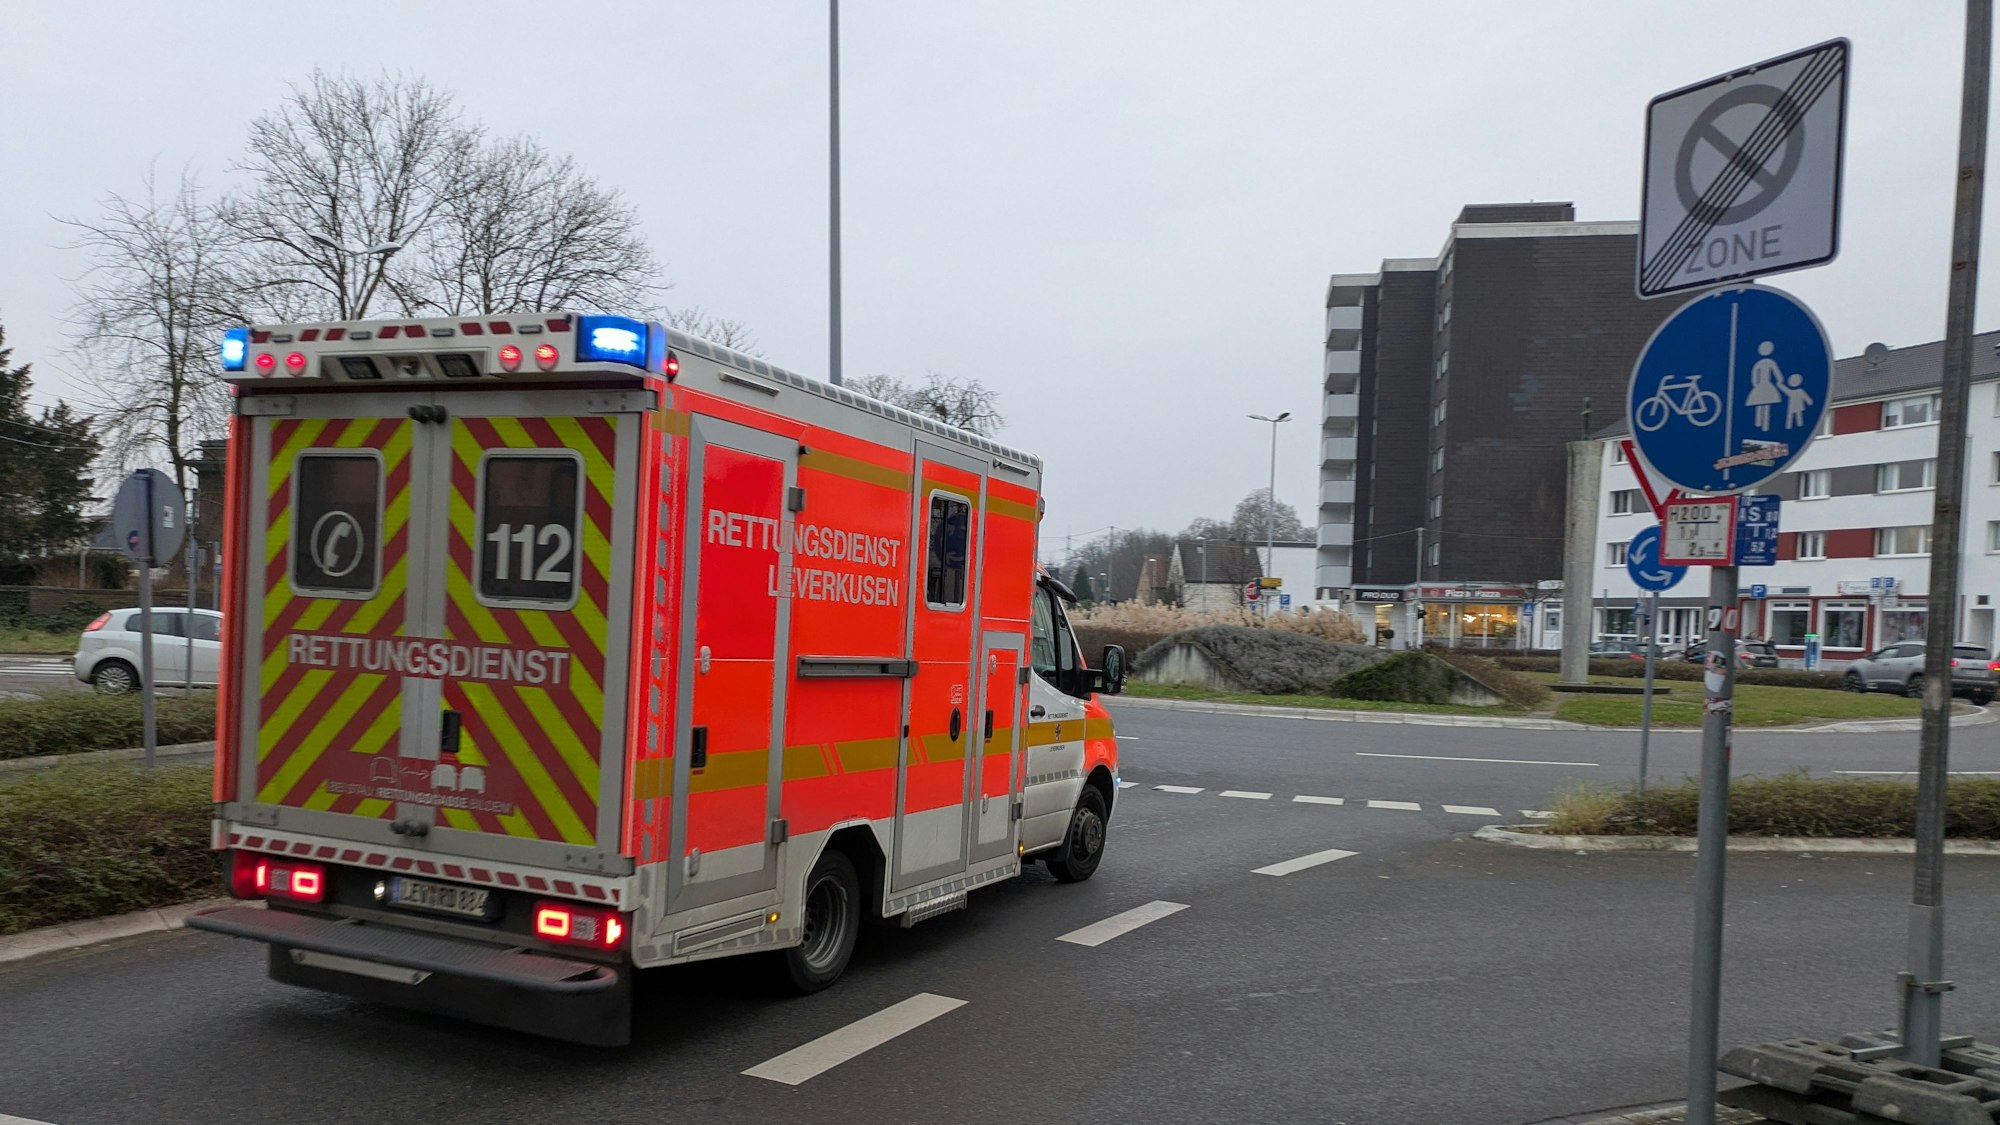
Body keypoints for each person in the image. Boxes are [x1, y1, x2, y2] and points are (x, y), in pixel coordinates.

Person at [1746, 340, 1782, 430]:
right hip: (1767, 385)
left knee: (1759, 404)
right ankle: (1764, 426)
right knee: (1766, 405)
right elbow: (1777, 373)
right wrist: (1779, 380)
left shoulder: (1758, 364)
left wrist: (1756, 385)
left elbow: (1754, 377)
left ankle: (1758, 424)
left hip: (1759, 386)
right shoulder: (1770, 362)